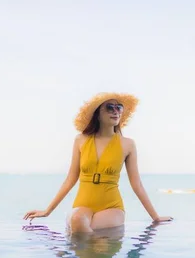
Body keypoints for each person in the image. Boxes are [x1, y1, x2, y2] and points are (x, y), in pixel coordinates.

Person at [23, 92, 172, 232]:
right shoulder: (81, 140)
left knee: (89, 234)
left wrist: (155, 217)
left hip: (112, 207)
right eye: (109, 107)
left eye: (119, 107)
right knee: (78, 221)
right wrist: (47, 211)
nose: (116, 111)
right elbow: (70, 178)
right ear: (98, 114)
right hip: (82, 206)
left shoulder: (127, 144)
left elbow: (137, 184)